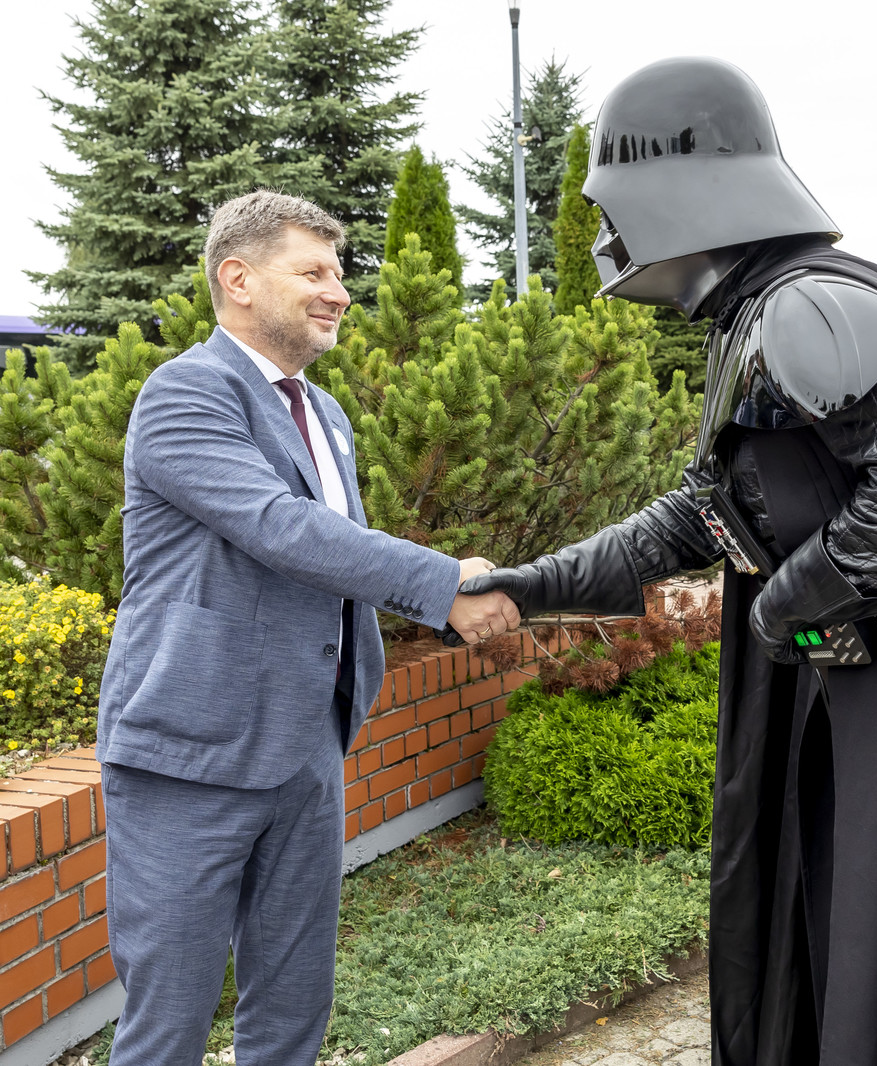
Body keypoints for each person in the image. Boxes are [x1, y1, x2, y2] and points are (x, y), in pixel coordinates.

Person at [460, 58, 877, 1065]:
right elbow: (699, 518)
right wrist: (531, 584)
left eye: (614, 197)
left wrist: (783, 606)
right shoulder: (757, 314)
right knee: (839, 929)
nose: (607, 229)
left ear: (679, 187)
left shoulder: (807, 306)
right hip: (862, 688)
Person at [96, 191, 520, 1065]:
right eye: (315, 272)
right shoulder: (185, 392)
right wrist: (442, 584)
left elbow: (336, 563)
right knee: (168, 1021)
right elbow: (280, 528)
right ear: (238, 278)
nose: (340, 292)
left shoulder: (324, 413)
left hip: (308, 746)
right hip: (190, 756)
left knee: (293, 1008)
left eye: (341, 273)